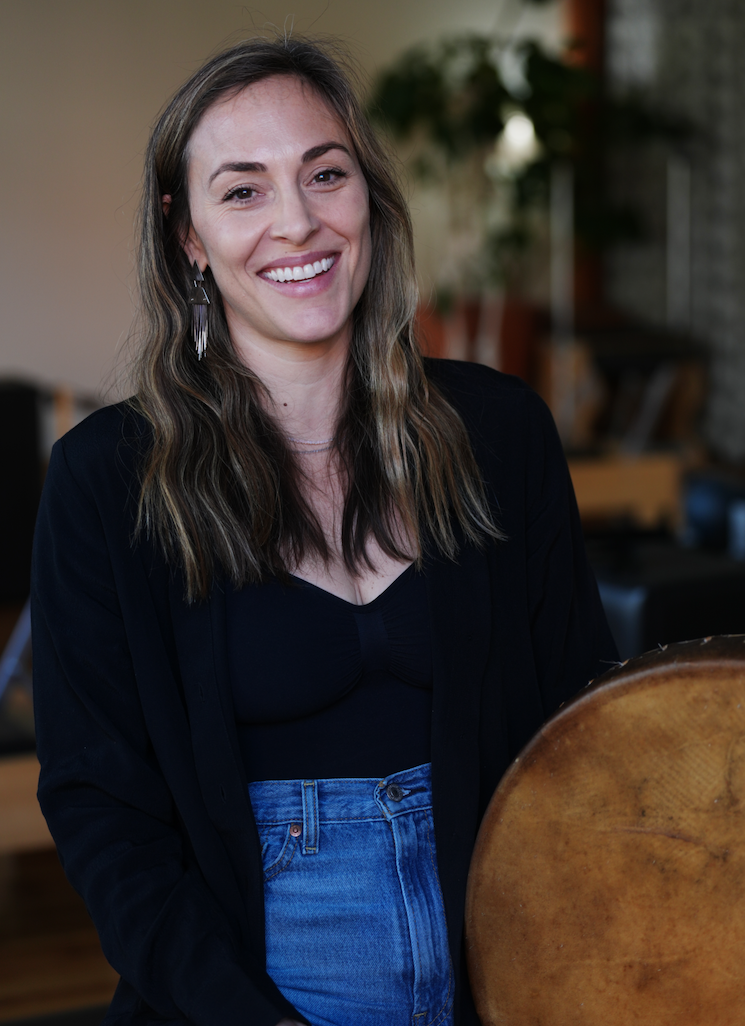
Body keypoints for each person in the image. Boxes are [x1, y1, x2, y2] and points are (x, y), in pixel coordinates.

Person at [31, 36, 617, 1026]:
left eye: (325, 173)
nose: (298, 221)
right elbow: (104, 812)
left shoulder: (500, 432)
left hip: (511, 976)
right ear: (187, 236)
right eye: (243, 190)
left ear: (368, 199)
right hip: (241, 997)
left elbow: (582, 733)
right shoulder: (106, 481)